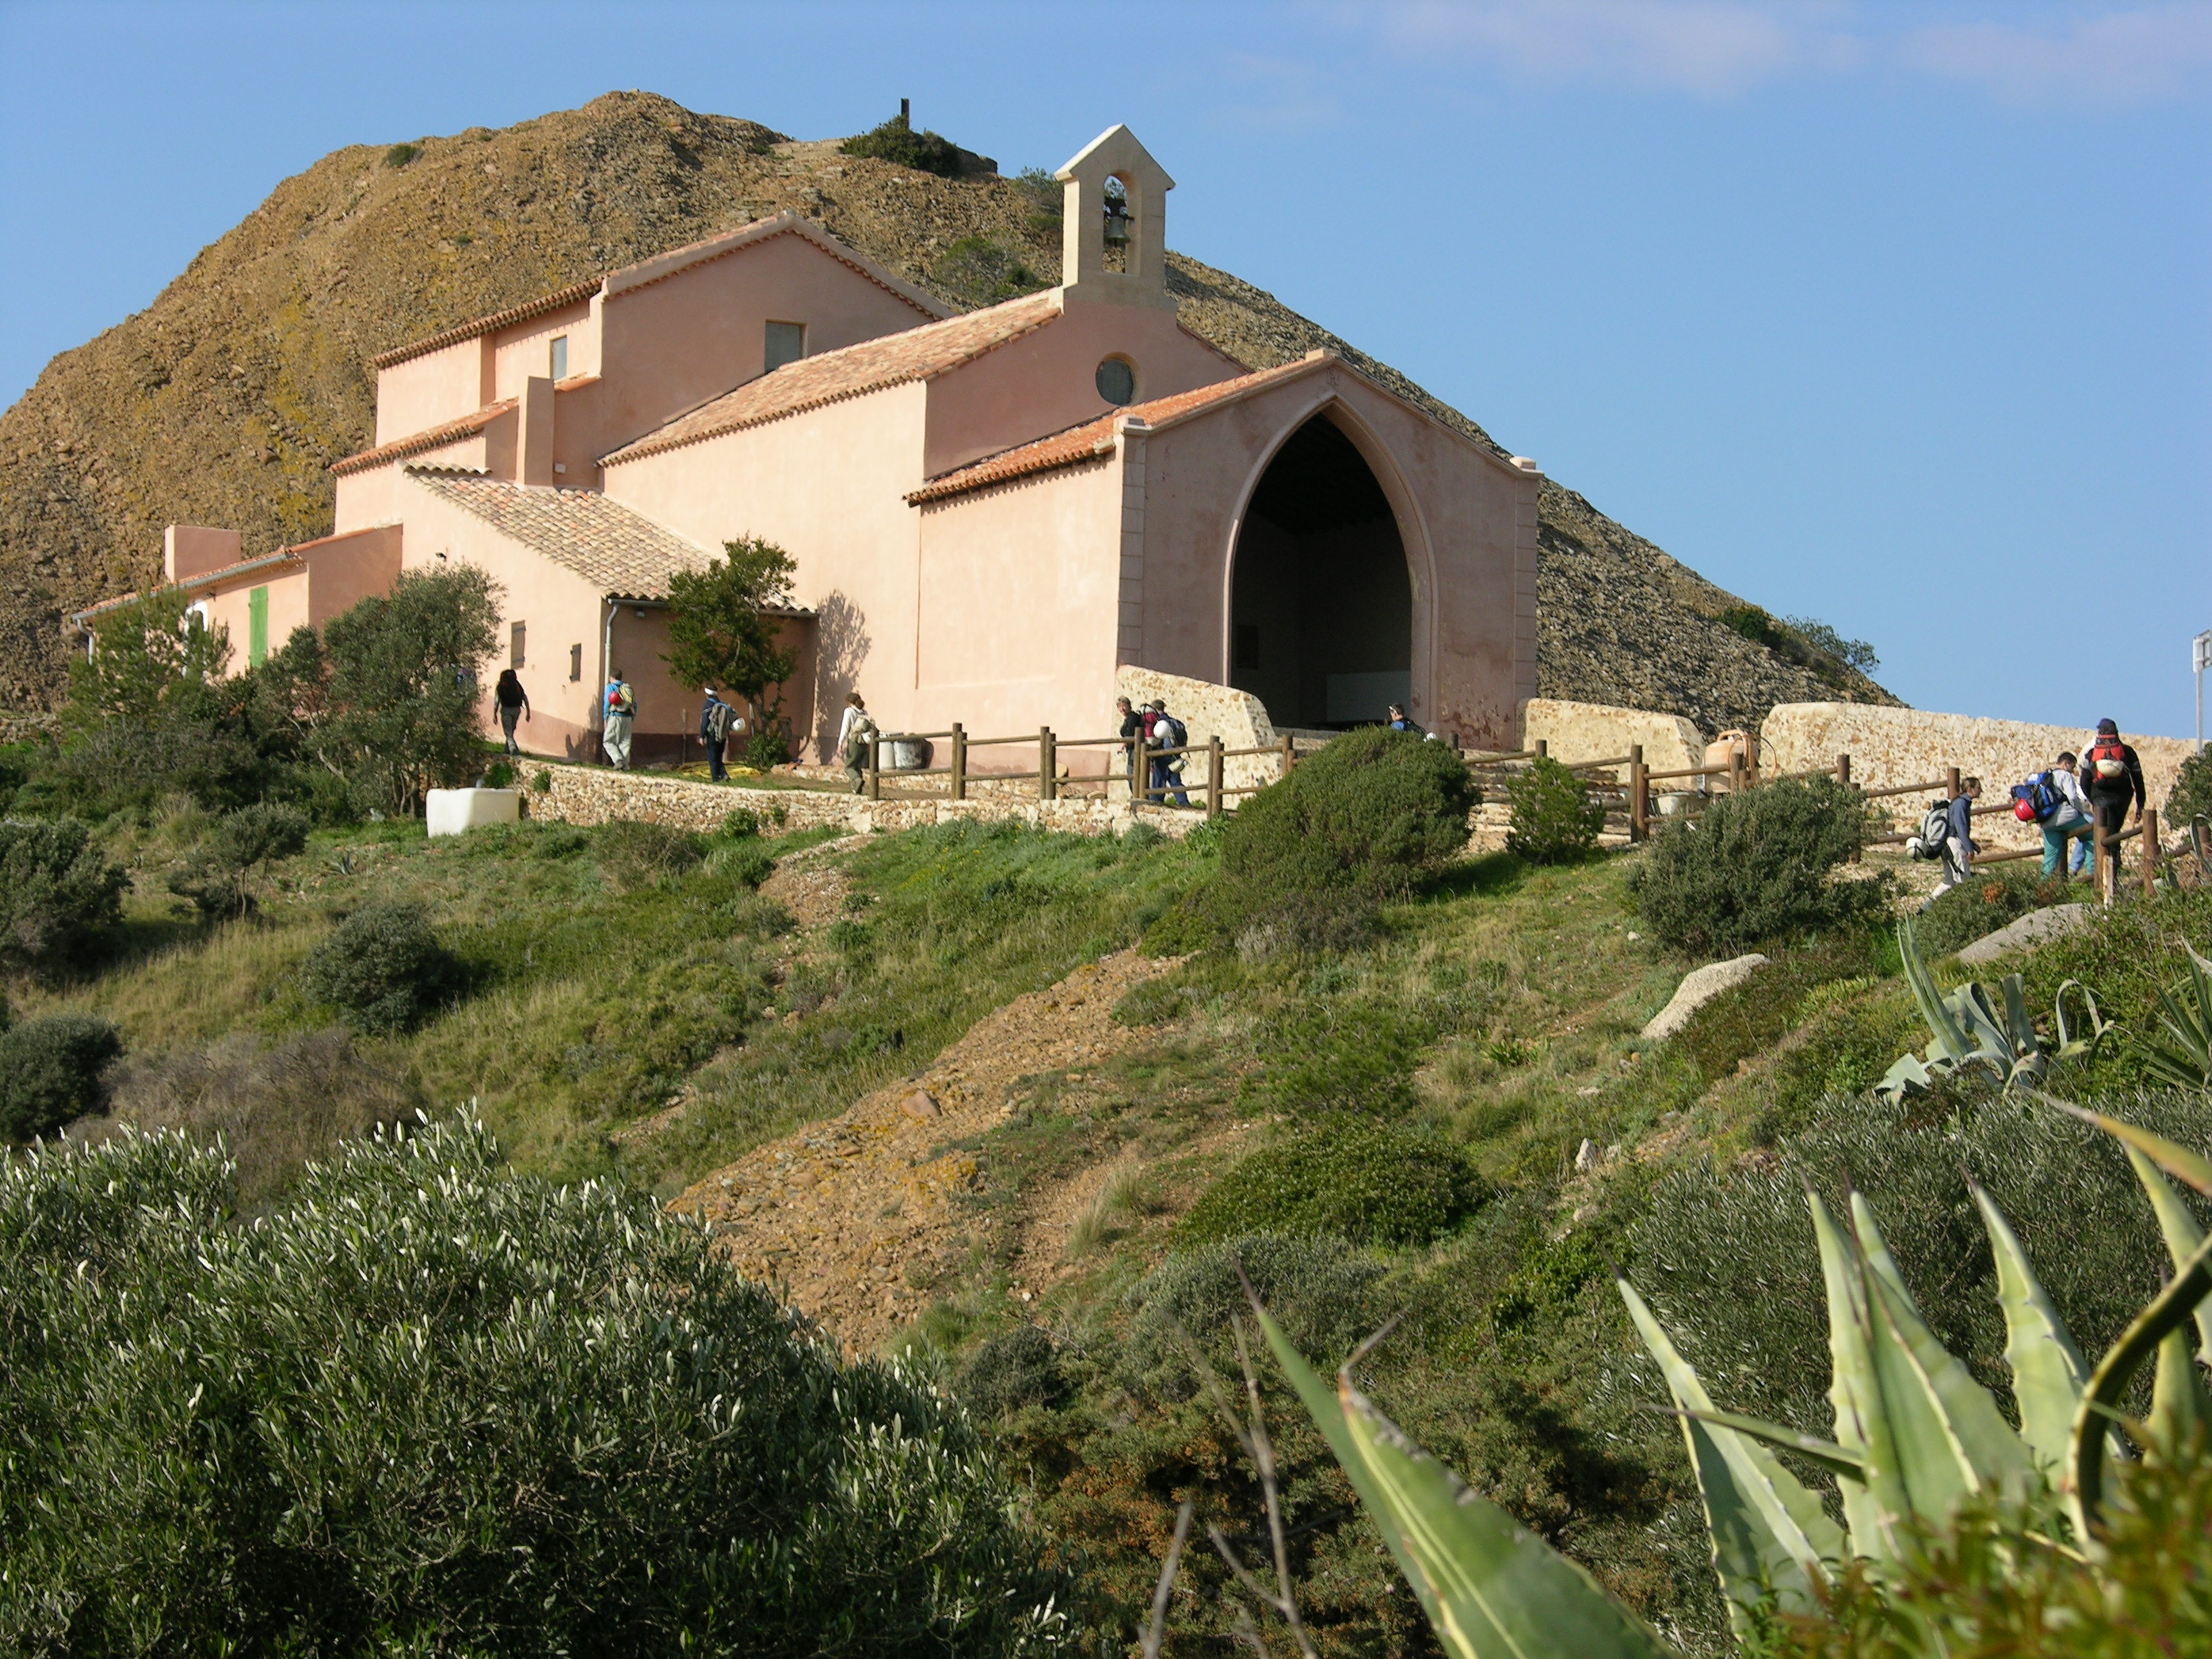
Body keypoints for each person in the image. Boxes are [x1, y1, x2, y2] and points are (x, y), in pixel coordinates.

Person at [2081, 718, 2146, 899]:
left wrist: (2092, 800)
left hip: (2100, 799)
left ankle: (2104, 883)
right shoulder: (2127, 752)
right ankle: (2114, 875)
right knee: (2114, 834)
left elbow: (2084, 781)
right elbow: (2138, 780)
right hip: (2122, 798)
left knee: (2104, 837)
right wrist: (2141, 804)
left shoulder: (2092, 753)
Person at [1923, 775, 1981, 907]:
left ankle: (1924, 909)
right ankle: (1964, 912)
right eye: (1978, 788)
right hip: (1955, 845)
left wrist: (1971, 844)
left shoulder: (1959, 803)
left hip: (1948, 844)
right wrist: (1970, 849)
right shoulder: (1961, 804)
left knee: (1949, 882)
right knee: (1964, 881)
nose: (1980, 791)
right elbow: (1961, 828)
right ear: (1970, 789)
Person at [2040, 752, 2094, 880]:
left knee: (2050, 859)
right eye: (2072, 766)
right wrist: (2079, 812)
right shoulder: (2065, 775)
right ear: (2066, 764)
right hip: (2066, 817)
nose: (2073, 770)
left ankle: (2041, 888)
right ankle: (2092, 875)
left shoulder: (2045, 776)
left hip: (2047, 822)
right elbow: (2072, 797)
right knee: (2092, 836)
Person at [1148, 699, 1190, 808]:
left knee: (1158, 780)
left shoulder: (1158, 722)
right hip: (1175, 755)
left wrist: (1152, 758)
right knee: (1175, 780)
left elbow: (1155, 741)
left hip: (1162, 755)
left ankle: (1155, 803)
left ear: (1155, 709)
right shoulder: (1173, 721)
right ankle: (1184, 803)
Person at [836, 691, 877, 794]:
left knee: (849, 767)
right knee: (857, 766)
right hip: (864, 742)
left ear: (850, 702)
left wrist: (840, 743)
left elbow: (845, 727)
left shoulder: (849, 711)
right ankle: (857, 789)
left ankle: (857, 780)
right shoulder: (864, 713)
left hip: (854, 741)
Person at [700, 687, 737, 783]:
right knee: (718, 756)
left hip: (712, 734)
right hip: (723, 735)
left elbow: (705, 721)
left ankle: (715, 779)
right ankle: (724, 774)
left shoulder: (707, 704)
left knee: (712, 757)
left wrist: (702, 735)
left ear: (707, 694)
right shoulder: (722, 704)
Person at [602, 672, 636, 770]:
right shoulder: (628, 689)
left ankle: (618, 760)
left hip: (615, 716)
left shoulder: (611, 687)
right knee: (625, 742)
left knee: (608, 741)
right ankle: (625, 766)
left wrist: (605, 717)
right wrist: (633, 717)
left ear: (612, 677)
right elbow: (635, 704)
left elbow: (607, 703)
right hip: (628, 717)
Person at [493, 669, 530, 756]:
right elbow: (525, 698)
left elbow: (497, 701)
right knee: (511, 730)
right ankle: (506, 750)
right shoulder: (517, 685)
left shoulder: (500, 686)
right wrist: (528, 712)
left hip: (506, 710)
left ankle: (513, 748)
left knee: (508, 732)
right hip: (517, 710)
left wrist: (494, 714)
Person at [1116, 696, 1143, 798]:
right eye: (1119, 706)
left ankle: (1136, 795)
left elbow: (1131, 733)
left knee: (1131, 772)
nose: (1122, 709)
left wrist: (1123, 745)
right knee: (1131, 772)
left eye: (1124, 706)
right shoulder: (1129, 718)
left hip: (1136, 750)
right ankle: (1136, 795)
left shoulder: (1132, 717)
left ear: (1129, 706)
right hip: (1132, 750)